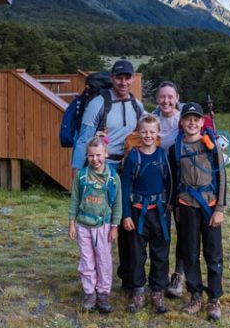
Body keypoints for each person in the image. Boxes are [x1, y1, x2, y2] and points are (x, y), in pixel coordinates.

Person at [71, 59, 144, 291]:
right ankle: (96, 276)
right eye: (119, 77)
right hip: (102, 169)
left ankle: (126, 274)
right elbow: (84, 138)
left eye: (127, 77)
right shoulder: (99, 103)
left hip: (128, 169)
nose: (123, 82)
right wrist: (77, 173)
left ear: (133, 79)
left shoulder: (137, 105)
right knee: (99, 221)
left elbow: (149, 130)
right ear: (112, 78)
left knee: (126, 220)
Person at [169, 102, 227, 322]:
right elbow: (173, 182)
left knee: (213, 254)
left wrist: (220, 208)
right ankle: (195, 294)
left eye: (196, 119)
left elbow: (222, 178)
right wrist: (175, 208)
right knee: (190, 253)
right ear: (181, 122)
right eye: (188, 118)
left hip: (210, 206)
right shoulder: (175, 148)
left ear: (203, 122)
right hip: (186, 207)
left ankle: (214, 298)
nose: (192, 122)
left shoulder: (212, 146)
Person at [121, 114, 173, 314]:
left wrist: (169, 206)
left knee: (160, 252)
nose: (148, 135)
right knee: (136, 253)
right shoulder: (133, 156)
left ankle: (158, 290)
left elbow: (169, 183)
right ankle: (138, 290)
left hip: (159, 213)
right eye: (144, 132)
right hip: (137, 213)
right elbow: (126, 187)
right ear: (138, 133)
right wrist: (126, 215)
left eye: (152, 132)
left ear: (158, 133)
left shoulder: (162, 156)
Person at [68, 134, 122, 314]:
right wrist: (71, 223)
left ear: (106, 154)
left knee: (103, 260)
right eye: (91, 155)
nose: (95, 159)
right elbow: (74, 200)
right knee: (87, 260)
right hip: (83, 225)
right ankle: (89, 293)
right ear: (87, 156)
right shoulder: (82, 176)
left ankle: (103, 293)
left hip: (103, 226)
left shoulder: (113, 178)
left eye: (98, 155)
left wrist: (115, 226)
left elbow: (118, 204)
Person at [152, 81, 187, 298]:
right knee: (161, 232)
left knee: (183, 231)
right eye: (162, 96)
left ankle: (179, 275)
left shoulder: (184, 120)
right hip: (158, 183)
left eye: (170, 97)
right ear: (157, 98)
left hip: (182, 182)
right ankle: (159, 276)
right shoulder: (149, 119)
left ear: (177, 98)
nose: (166, 101)